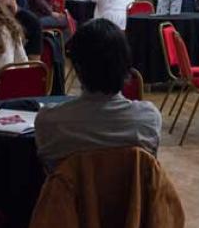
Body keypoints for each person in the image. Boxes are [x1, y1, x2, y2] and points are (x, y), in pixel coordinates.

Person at [34, 18, 162, 171]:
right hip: (130, 195)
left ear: (77, 68)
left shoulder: (49, 121)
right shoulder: (149, 120)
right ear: (126, 65)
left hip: (71, 195)